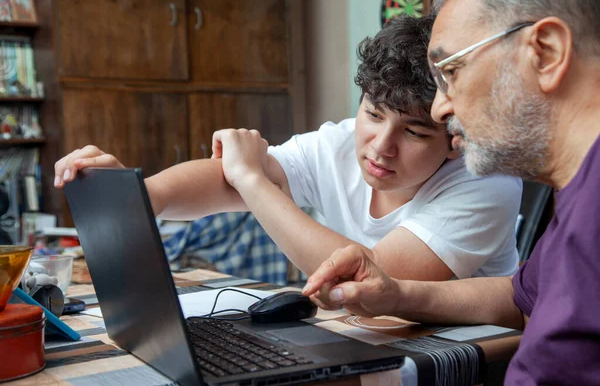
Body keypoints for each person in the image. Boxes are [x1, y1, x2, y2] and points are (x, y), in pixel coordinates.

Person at [54, 15, 521, 282]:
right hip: (362, 335)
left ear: (454, 138)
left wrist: (254, 181)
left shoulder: (487, 179)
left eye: (414, 133)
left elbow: (374, 277)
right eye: (373, 114)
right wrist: (138, 196)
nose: (381, 147)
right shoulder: (339, 142)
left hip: (456, 356)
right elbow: (227, 179)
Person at [303, 0, 600, 383]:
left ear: (545, 52)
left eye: (452, 71)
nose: (441, 108)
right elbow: (522, 298)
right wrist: (396, 295)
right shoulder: (578, 193)